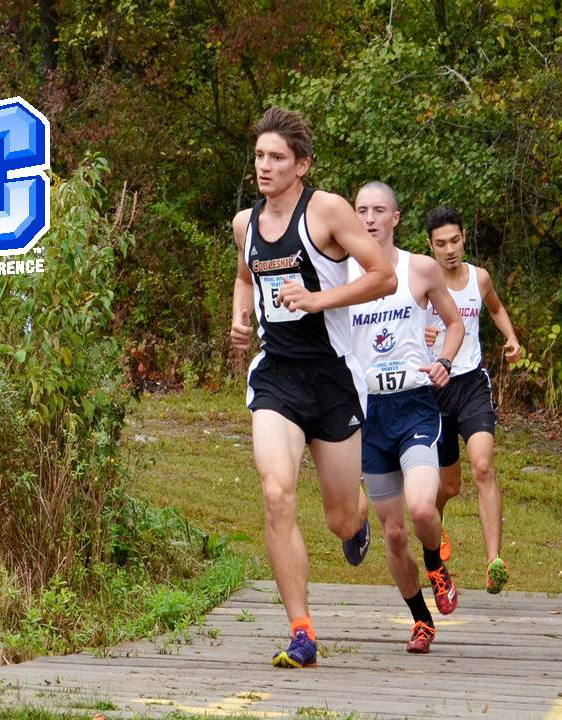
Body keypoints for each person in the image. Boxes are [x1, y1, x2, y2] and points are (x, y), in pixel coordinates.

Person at [229, 107, 397, 669]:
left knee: (338, 519)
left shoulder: (325, 211)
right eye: (259, 156)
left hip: (333, 378)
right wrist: (240, 316)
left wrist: (319, 300)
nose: (265, 166)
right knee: (276, 492)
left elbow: (383, 275)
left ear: (302, 165)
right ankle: (302, 630)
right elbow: (244, 275)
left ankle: (359, 519)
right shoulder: (244, 223)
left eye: (277, 157)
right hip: (277, 375)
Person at [348, 182, 464, 654]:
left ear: (395, 218)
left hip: (415, 406)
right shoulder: (341, 276)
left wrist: (446, 361)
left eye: (379, 210)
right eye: (361, 211)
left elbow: (454, 323)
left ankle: (437, 563)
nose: (370, 218)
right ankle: (421, 621)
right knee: (394, 534)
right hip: (369, 415)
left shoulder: (420, 269)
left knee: (421, 509)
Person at [423, 205, 521, 594]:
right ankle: (436, 527)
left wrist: (510, 338)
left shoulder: (478, 278)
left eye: (455, 240)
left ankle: (493, 561)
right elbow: (398, 324)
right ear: (430, 247)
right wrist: (423, 335)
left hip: (472, 385)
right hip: (434, 389)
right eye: (441, 243)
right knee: (448, 486)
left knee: (483, 467)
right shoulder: (422, 280)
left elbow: (494, 307)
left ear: (464, 238)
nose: (450, 249)